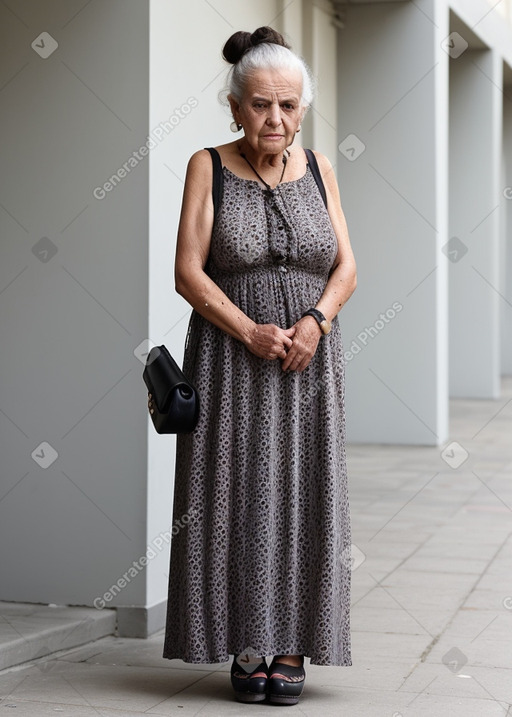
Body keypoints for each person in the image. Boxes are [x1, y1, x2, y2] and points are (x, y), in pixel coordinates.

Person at [161, 26, 357, 706]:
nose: (277, 119)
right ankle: (248, 641)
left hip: (309, 364)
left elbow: (347, 266)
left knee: (305, 494)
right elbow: (188, 272)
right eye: (262, 105)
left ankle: (294, 642)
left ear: (303, 107)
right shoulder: (206, 165)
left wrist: (317, 321)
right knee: (235, 498)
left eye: (290, 106)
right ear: (235, 104)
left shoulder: (321, 166)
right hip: (228, 360)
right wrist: (248, 329)